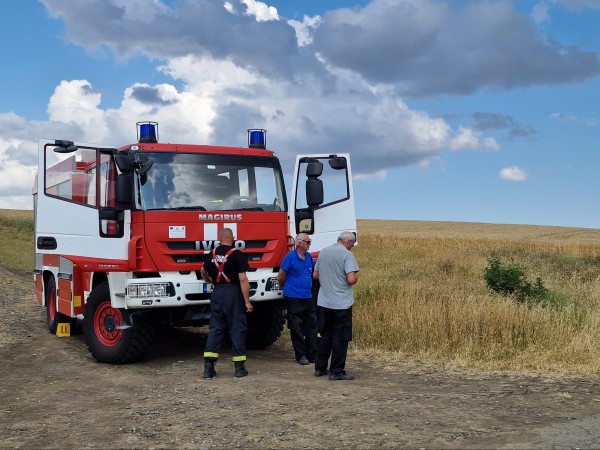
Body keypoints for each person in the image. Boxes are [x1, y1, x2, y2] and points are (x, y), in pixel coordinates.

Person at [201, 228, 253, 379]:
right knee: (237, 327)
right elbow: (243, 279)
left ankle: (208, 369)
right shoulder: (237, 254)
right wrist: (247, 301)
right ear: (234, 238)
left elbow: (203, 271)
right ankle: (239, 368)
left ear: (219, 238)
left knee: (216, 328)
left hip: (217, 293)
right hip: (233, 293)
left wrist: (209, 280)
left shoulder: (211, 254)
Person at [312, 231, 359, 381]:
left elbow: (315, 275)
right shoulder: (347, 255)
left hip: (324, 302)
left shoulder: (324, 252)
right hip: (341, 303)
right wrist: (355, 277)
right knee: (340, 337)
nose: (351, 247)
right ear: (349, 242)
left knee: (325, 335)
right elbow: (351, 279)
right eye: (352, 244)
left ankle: (320, 368)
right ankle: (336, 370)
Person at [277, 233, 317, 365]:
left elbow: (312, 273)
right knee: (296, 327)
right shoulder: (290, 257)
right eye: (308, 242)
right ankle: (301, 355)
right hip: (294, 297)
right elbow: (281, 276)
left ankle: (312, 354)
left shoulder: (308, 257)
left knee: (312, 326)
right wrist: (287, 288)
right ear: (300, 243)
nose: (309, 244)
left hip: (308, 296)